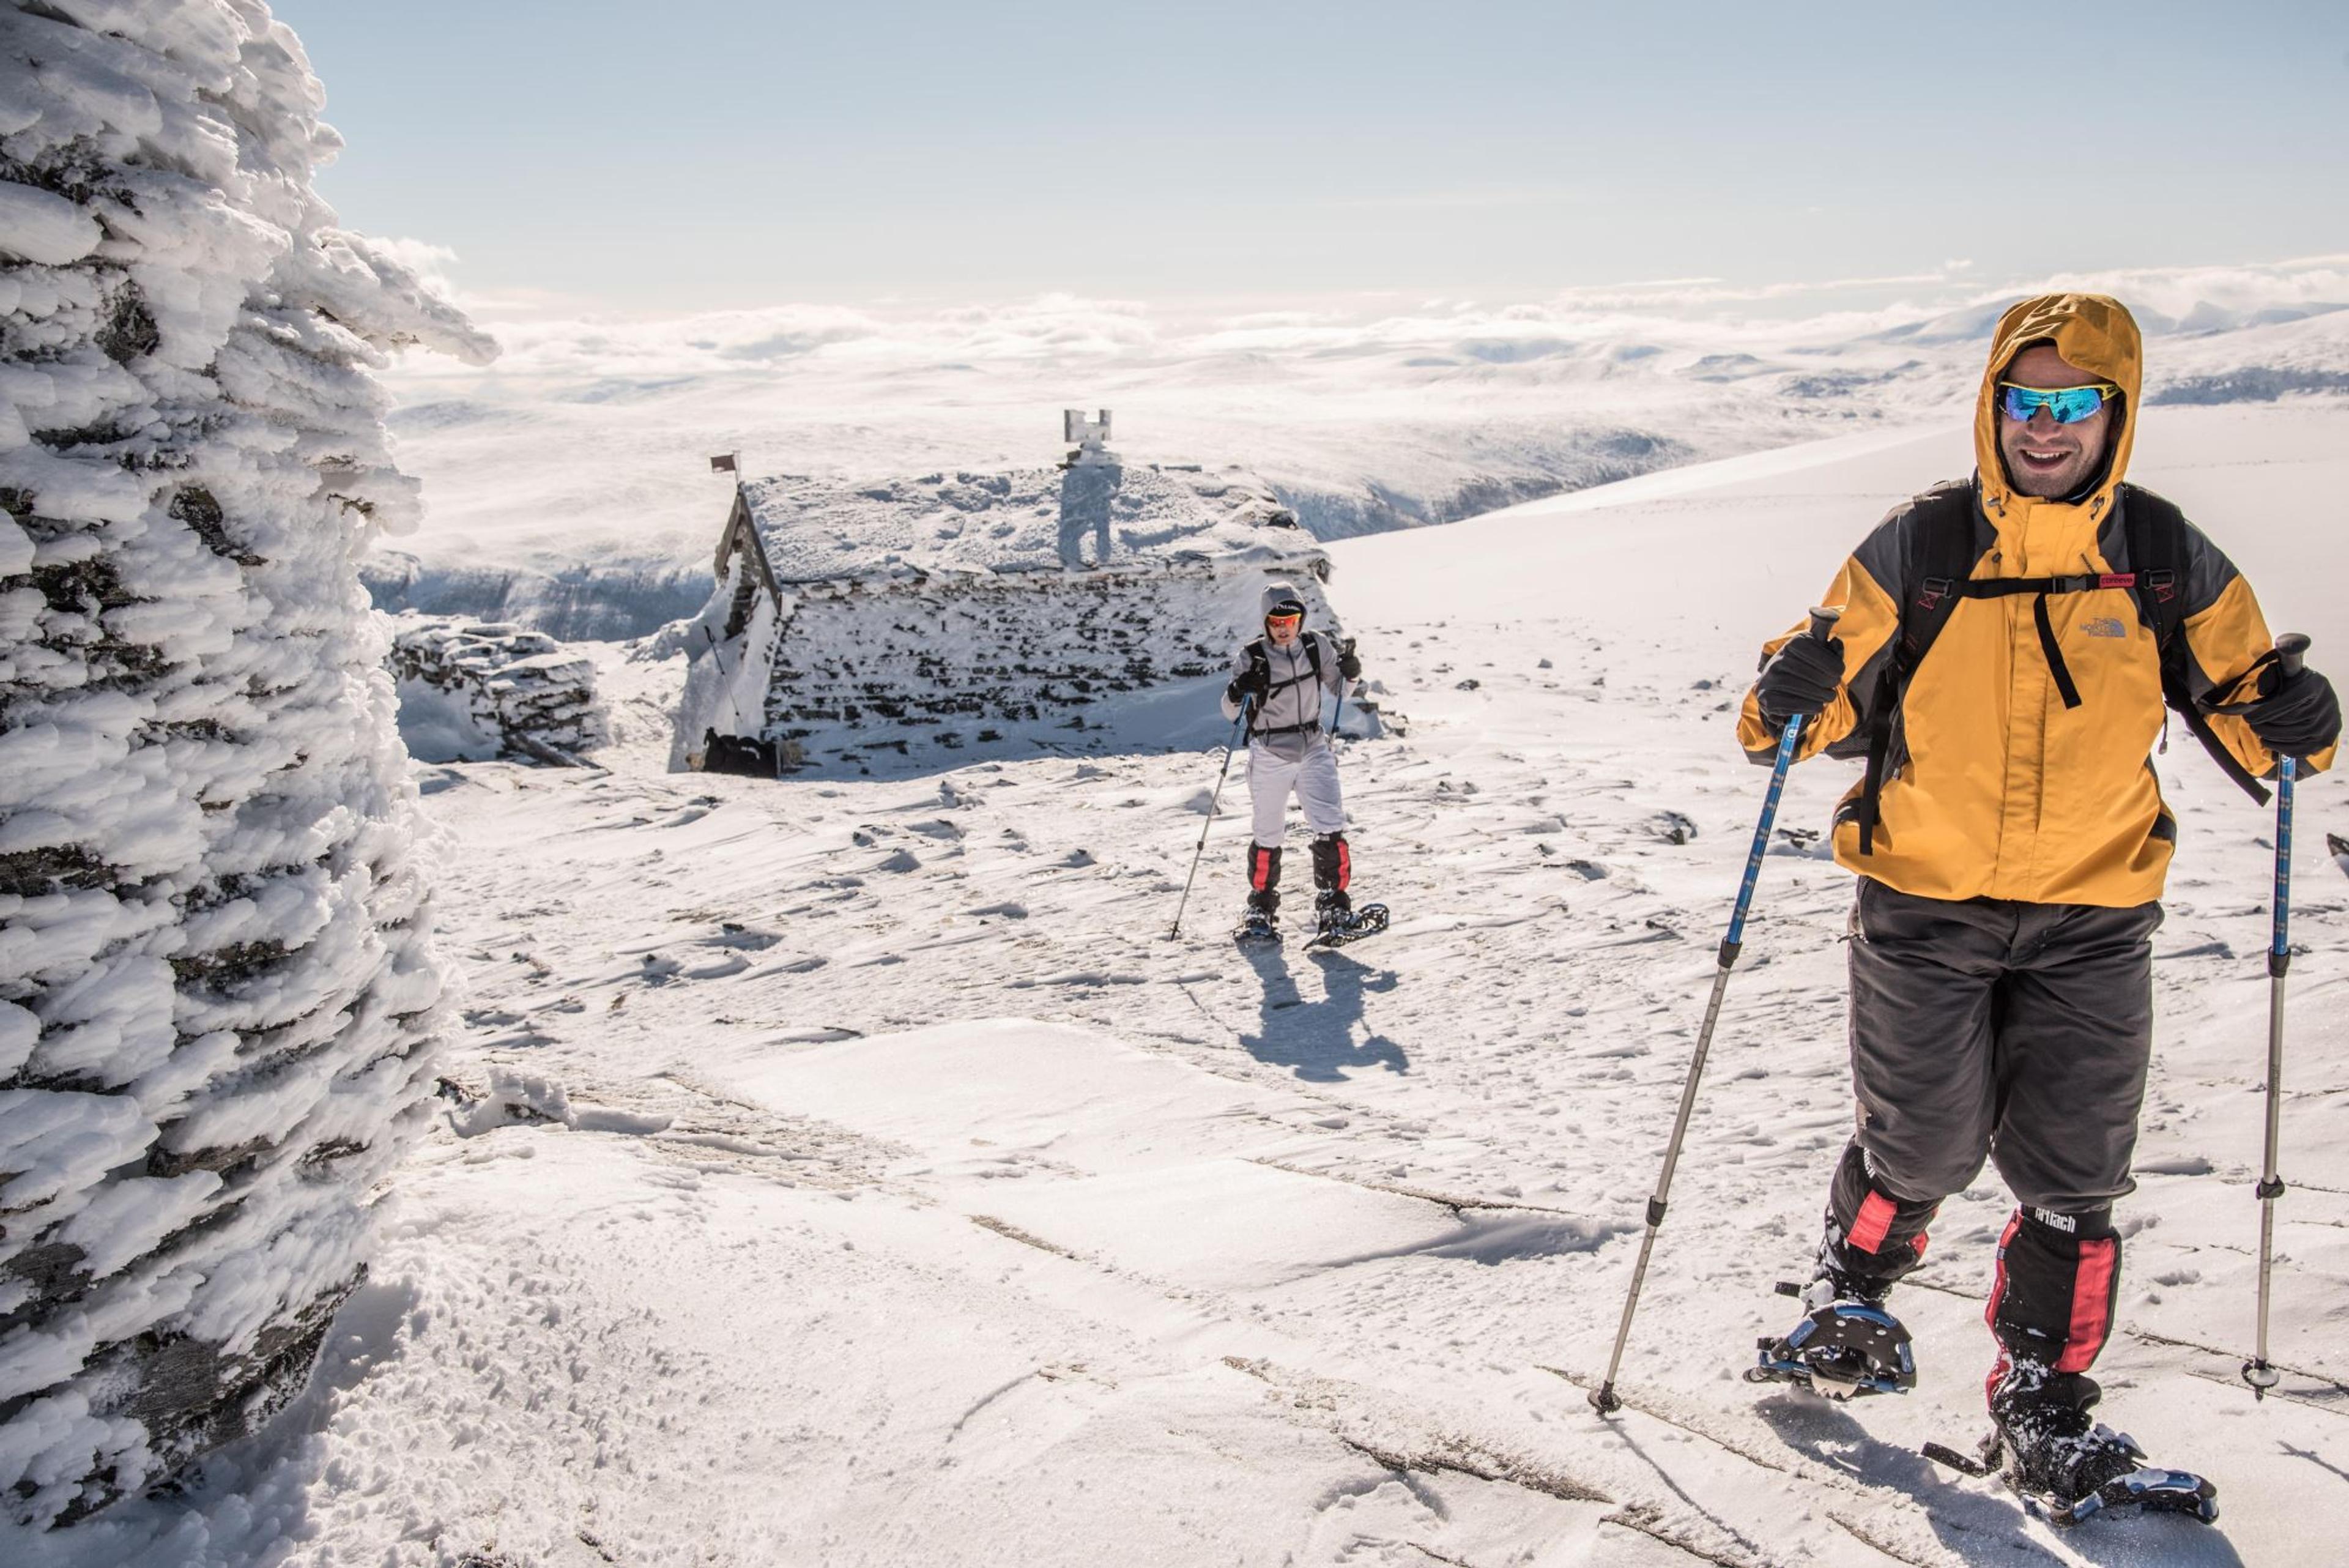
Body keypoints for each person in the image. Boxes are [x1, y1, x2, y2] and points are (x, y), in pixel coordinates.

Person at [1738, 293, 2339, 1518]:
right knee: (1925, 1143)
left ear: (2113, 415)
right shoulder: (1924, 544)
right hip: (1925, 902)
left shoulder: (2164, 555)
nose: (2045, 427)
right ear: (1994, 406)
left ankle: (2044, 1402)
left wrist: (2300, 722)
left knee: (2078, 1175)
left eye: (2074, 404)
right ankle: (1850, 1289)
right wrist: (1790, 687)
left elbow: (2252, 708)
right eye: (2027, 400)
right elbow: (1807, 714)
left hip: (2095, 915)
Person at [1222, 582, 1365, 939]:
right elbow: (1229, 712)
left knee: (1330, 823)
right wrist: (1239, 689)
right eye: (1276, 620)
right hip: (1270, 751)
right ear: (1266, 621)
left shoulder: (1317, 647)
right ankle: (1261, 906)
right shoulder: (1252, 657)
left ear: (1301, 619)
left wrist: (1352, 671)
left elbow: (1340, 689)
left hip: (1314, 745)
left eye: (1291, 619)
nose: (1284, 627)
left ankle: (1334, 905)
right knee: (1268, 832)